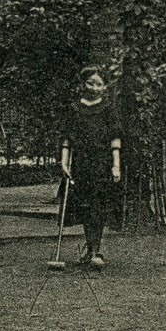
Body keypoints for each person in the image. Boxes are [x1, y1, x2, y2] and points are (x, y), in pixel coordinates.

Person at [59, 65, 123, 269]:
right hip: (81, 163)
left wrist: (116, 165)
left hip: (102, 163)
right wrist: (64, 161)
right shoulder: (75, 108)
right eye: (91, 83)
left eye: (99, 84)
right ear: (83, 84)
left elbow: (115, 137)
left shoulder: (108, 108)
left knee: (98, 206)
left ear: (105, 87)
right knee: (86, 206)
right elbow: (67, 138)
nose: (95, 88)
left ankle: (96, 250)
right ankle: (90, 249)